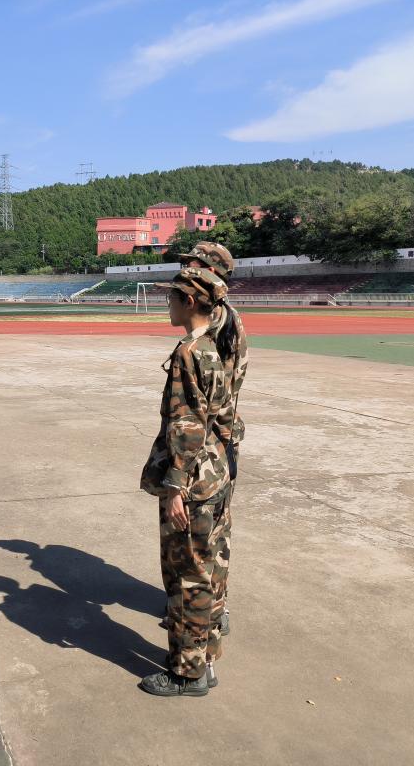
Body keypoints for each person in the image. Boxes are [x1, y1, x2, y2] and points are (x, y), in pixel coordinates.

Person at [139, 267, 242, 697]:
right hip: (216, 473)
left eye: (172, 298)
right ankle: (207, 660)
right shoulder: (213, 348)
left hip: (193, 482)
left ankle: (188, 672)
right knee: (209, 571)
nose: (168, 305)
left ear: (190, 302)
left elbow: (186, 426)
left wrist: (176, 486)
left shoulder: (189, 352)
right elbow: (225, 417)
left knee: (187, 578)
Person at [171, 242, 249, 663]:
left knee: (198, 555)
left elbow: (199, 408)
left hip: (207, 447)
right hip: (221, 443)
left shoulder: (211, 328)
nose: (186, 266)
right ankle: (211, 619)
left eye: (193, 263)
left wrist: (178, 477)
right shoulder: (226, 316)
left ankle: (198, 637)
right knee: (213, 545)